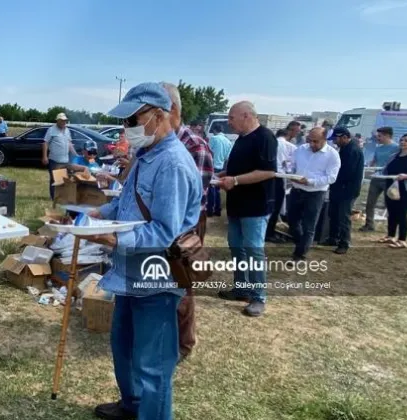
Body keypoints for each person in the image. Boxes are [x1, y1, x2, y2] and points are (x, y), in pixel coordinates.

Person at [82, 83, 200, 420]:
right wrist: (98, 215)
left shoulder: (173, 164)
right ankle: (131, 406)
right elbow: (126, 202)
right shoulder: (147, 155)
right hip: (129, 275)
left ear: (159, 116)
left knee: (152, 366)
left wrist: (116, 240)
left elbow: (165, 230)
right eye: (125, 121)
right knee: (124, 348)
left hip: (156, 279)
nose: (127, 129)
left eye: (133, 119)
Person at [160, 82, 211, 363]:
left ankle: (184, 343)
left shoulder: (194, 145)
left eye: (156, 111)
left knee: (182, 283)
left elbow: (192, 198)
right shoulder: (162, 143)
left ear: (173, 110)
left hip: (184, 227)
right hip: (166, 222)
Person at [216, 101, 277, 317]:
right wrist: (222, 175)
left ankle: (258, 297)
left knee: (253, 251)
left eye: (231, 118)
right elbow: (237, 168)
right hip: (237, 205)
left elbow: (269, 172)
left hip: (256, 206)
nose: (229, 122)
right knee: (237, 249)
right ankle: (242, 289)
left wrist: (236, 180)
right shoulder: (242, 139)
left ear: (246, 115)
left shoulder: (265, 137)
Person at [286, 127, 341, 260]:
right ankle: (302, 243)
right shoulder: (301, 149)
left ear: (324, 139)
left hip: (315, 193)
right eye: (310, 140)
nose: (312, 144)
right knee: (292, 220)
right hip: (296, 190)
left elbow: (331, 178)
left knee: (309, 225)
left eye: (315, 141)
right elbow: (290, 164)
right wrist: (289, 172)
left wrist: (310, 182)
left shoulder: (332, 155)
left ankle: (300, 253)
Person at [377, 133, 407, 248]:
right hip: (391, 189)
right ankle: (390, 235)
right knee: (391, 212)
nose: (403, 142)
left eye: (406, 141)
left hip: (406, 190)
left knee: (402, 214)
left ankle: (402, 240)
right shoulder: (394, 156)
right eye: (401, 140)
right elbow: (385, 170)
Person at [326, 127, 365, 254]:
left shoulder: (352, 150)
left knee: (343, 216)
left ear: (344, 137)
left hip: (347, 189)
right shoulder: (345, 148)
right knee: (334, 214)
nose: (335, 142)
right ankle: (333, 238)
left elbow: (346, 172)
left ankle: (344, 242)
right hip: (339, 188)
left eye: (336, 139)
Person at [360, 127, 400, 232]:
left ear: (387, 136)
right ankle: (369, 225)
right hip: (377, 177)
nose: (377, 138)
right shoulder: (378, 148)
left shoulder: (397, 148)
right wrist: (367, 167)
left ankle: (392, 227)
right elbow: (374, 161)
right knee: (370, 203)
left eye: (380, 136)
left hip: (389, 179)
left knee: (390, 204)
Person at [266, 122, 300, 243]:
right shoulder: (289, 146)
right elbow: (292, 164)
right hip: (279, 177)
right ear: (288, 133)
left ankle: (265, 230)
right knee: (276, 207)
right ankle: (269, 233)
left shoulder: (271, 143)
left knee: (268, 204)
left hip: (266, 176)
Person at [42, 113, 77, 200]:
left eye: (65, 120)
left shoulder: (67, 130)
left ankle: (61, 196)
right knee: (54, 179)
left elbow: (69, 144)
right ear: (57, 121)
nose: (64, 122)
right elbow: (45, 143)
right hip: (54, 160)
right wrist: (45, 156)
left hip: (65, 160)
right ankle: (53, 197)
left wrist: (76, 154)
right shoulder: (51, 130)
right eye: (62, 120)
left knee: (64, 179)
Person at [207, 123, 233, 217]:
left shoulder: (214, 139)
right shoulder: (228, 141)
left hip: (212, 165)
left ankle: (210, 209)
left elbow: (208, 152)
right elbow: (227, 157)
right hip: (221, 166)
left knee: (211, 188)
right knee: (218, 188)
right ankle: (218, 209)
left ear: (214, 130)